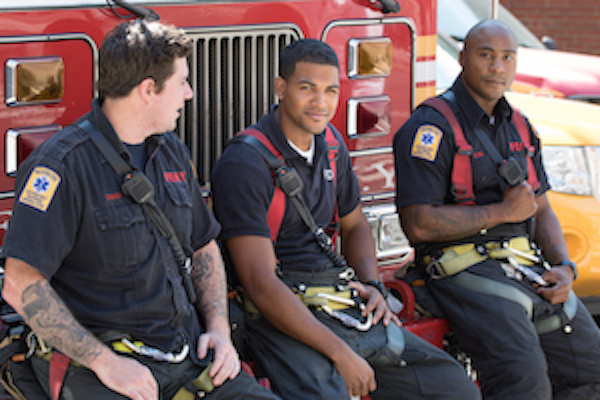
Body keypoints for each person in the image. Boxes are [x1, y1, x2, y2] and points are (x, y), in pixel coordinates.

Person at [1, 19, 280, 400]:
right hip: (104, 370)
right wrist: (104, 362)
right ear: (148, 89)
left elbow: (203, 246)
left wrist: (218, 329)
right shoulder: (61, 167)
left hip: (186, 358)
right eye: (182, 82)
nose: (189, 93)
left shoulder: (172, 151)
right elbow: (20, 283)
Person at [211, 38, 480, 400]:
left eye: (330, 90)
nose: (320, 102)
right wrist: (340, 353)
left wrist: (373, 285)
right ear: (280, 88)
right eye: (307, 89)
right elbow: (260, 285)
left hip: (339, 301)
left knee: (453, 388)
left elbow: (354, 226)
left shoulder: (333, 146)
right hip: (278, 314)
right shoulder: (245, 163)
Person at [394, 19, 600, 400]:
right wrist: (503, 213)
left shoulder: (520, 127)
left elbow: (542, 209)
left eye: (507, 57)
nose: (497, 67)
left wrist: (565, 268)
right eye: (486, 55)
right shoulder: (430, 128)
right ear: (463, 57)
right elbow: (418, 224)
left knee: (589, 363)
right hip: (461, 267)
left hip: (524, 268)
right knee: (524, 378)